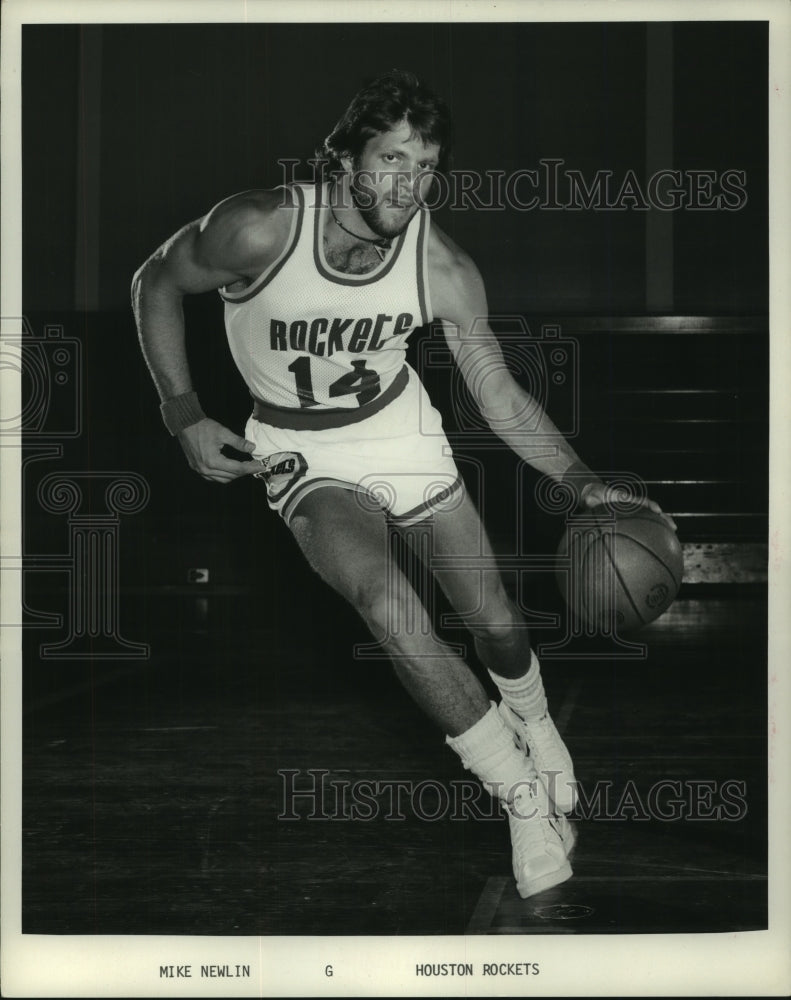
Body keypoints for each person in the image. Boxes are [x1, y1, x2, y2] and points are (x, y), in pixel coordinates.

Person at [132, 69, 671, 900]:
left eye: (424, 167)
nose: (406, 185)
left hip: (400, 431)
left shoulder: (441, 265)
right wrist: (184, 415)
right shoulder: (259, 229)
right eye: (389, 160)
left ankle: (534, 722)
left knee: (492, 620)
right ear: (340, 158)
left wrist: (581, 481)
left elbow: (495, 391)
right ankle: (520, 798)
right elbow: (154, 283)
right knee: (387, 605)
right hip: (299, 451)